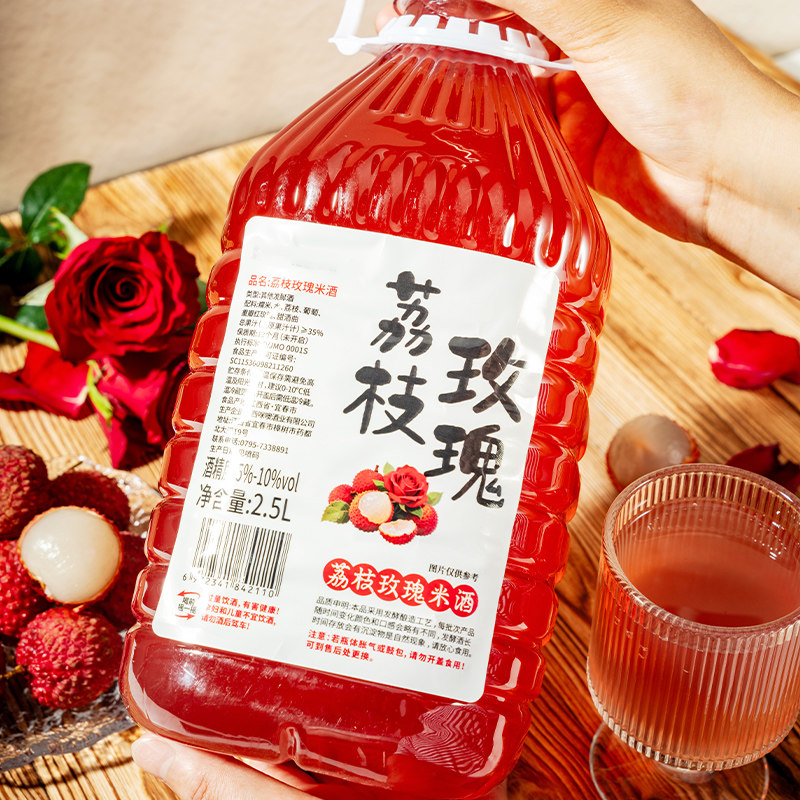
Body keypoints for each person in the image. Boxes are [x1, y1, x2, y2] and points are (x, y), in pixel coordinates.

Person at [131, 0, 800, 798]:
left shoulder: (339, 164)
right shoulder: (531, 199)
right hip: (241, 631)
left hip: (313, 675)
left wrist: (724, 161)